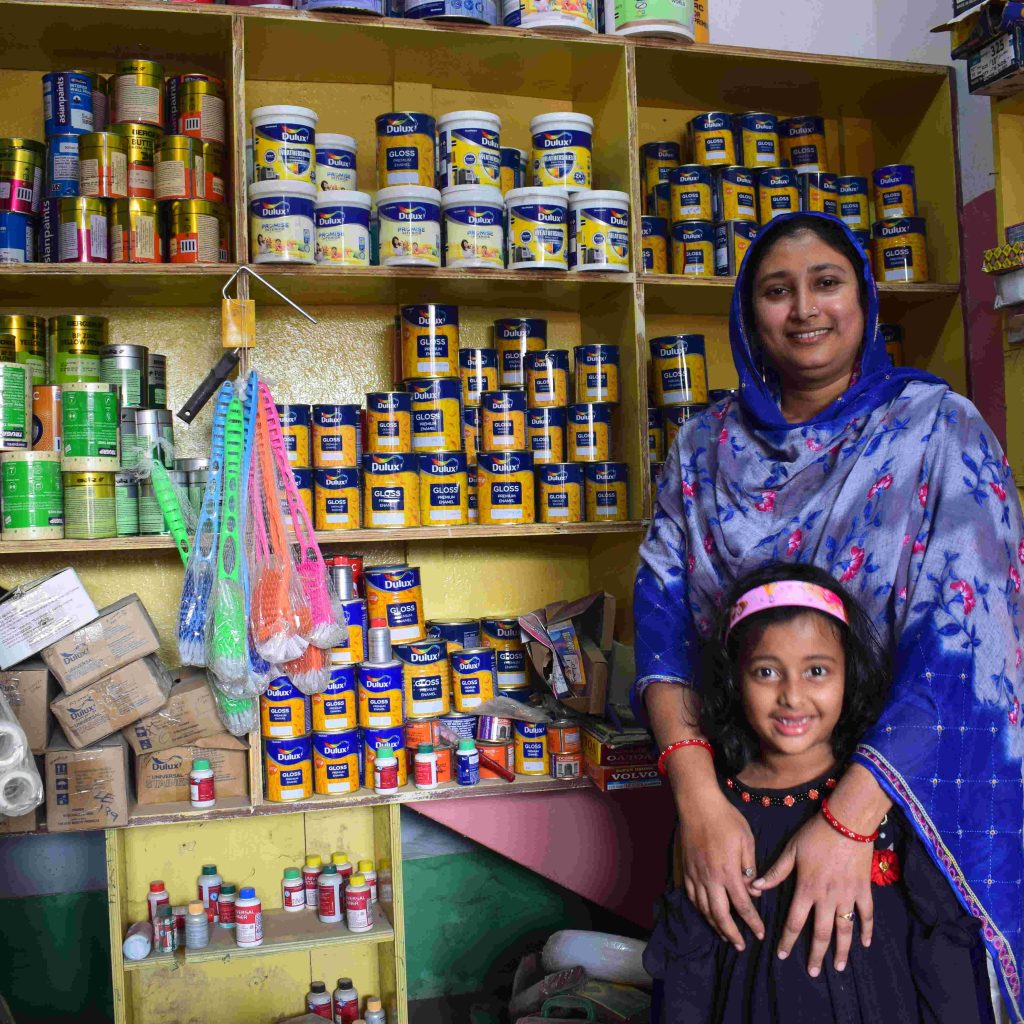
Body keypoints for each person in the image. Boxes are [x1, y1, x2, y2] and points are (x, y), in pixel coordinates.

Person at [633, 211, 1024, 1020]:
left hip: (908, 811)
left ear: (865, 299)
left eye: (827, 283)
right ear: (749, 314)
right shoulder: (703, 449)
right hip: (746, 804)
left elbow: (970, 649)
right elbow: (663, 626)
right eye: (777, 290)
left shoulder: (939, 430)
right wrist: (700, 805)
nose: (805, 308)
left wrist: (849, 823)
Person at [645, 562, 991, 1022]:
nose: (792, 695)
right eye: (766, 672)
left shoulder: (889, 801)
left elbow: (944, 950)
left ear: (849, 675)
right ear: (734, 680)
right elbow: (686, 973)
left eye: (816, 671)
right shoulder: (711, 820)